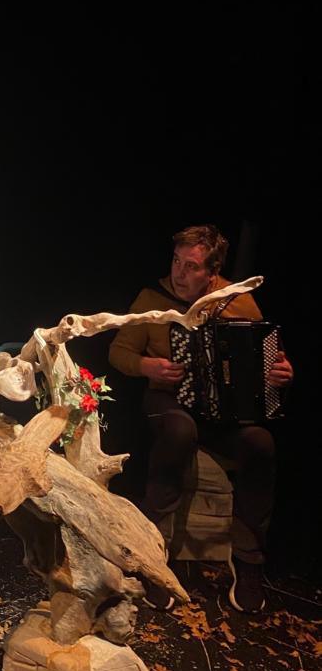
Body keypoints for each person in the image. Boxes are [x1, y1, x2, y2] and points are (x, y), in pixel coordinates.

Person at [109, 224, 293, 613]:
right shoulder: (151, 299)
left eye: (191, 266)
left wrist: (280, 373)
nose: (179, 273)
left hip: (223, 414)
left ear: (212, 272)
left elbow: (266, 359)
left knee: (261, 443)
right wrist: (147, 366)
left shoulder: (238, 301)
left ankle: (248, 560)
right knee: (179, 430)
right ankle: (152, 550)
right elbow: (119, 353)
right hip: (167, 400)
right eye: (176, 261)